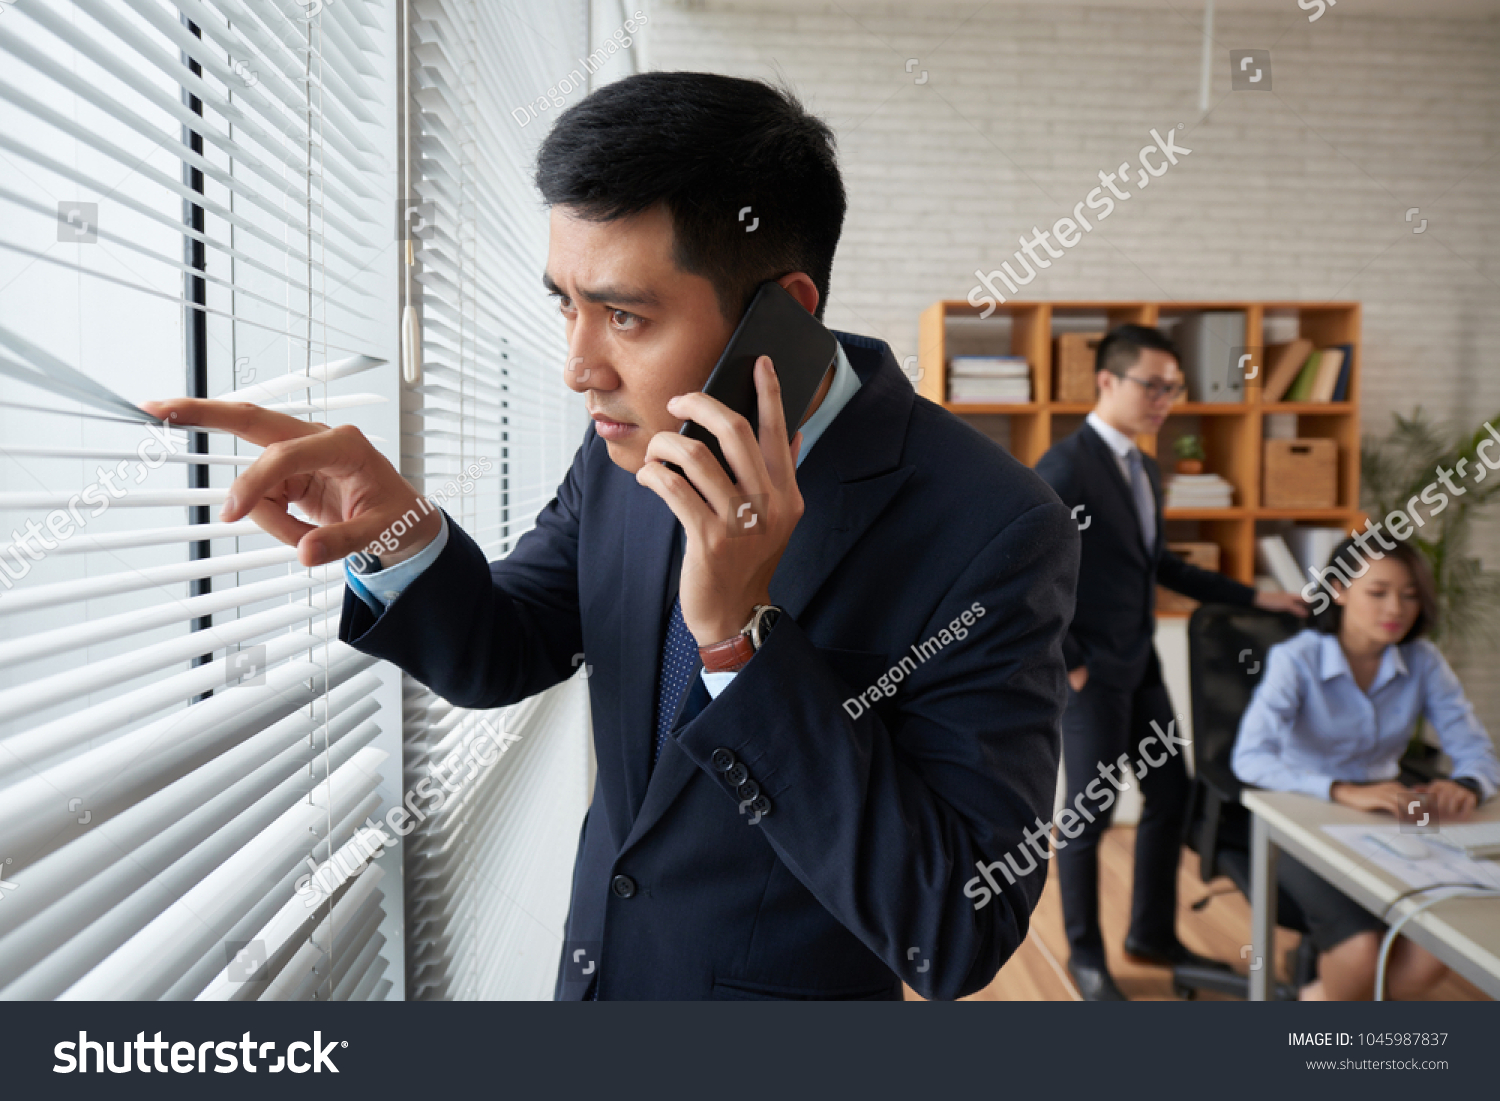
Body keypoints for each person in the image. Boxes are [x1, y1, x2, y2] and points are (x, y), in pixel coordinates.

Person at [144, 72, 1080, 1001]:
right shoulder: (628, 451)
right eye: (566, 302)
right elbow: (505, 649)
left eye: (625, 315)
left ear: (783, 316)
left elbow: (959, 926)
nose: (578, 367)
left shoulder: (994, 527)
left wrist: (740, 643)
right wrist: (398, 529)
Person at [1035, 324, 1307, 1000]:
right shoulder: (1065, 467)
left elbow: (1158, 565)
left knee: (1172, 794)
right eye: (1152, 385)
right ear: (1107, 381)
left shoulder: (1146, 467)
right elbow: (1030, 575)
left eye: (1173, 387)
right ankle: (1087, 955)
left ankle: (1150, 931)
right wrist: (1070, 662)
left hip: (1141, 664)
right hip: (1092, 675)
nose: (1165, 399)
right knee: (1090, 815)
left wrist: (1256, 595)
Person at [1233, 536, 1499, 1000]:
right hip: (1301, 812)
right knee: (1360, 953)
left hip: (1392, 807)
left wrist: (1468, 785)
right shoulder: (1298, 660)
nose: (1396, 607)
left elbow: (1478, 751)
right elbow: (1248, 757)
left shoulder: (1423, 662)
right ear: (1338, 589)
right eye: (1378, 592)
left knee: (1437, 941)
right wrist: (1339, 789)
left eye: (1410, 593)